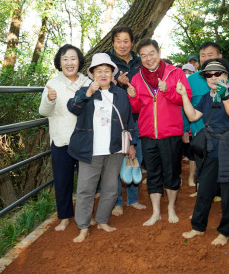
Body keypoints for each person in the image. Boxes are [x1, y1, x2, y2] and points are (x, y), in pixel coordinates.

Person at [177, 58, 229, 246]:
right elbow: (193, 116)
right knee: (204, 189)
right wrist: (184, 96)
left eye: (217, 73)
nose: (212, 77)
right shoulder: (206, 97)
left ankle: (225, 232)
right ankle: (198, 227)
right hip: (212, 149)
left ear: (226, 76)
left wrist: (225, 95)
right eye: (208, 75)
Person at [67, 53, 136, 242]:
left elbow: (128, 120)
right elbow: (73, 107)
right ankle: (83, 226)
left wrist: (131, 144)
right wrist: (88, 93)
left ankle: (103, 220)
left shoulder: (120, 93)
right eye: (99, 71)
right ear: (92, 74)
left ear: (113, 73)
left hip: (114, 149)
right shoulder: (84, 91)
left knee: (111, 188)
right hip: (91, 150)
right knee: (85, 189)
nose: (103, 74)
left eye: (107, 70)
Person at [126, 38, 192, 226]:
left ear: (159, 52)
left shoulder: (176, 73)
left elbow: (185, 99)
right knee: (153, 173)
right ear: (140, 58)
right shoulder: (137, 78)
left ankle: (170, 206)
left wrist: (168, 90)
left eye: (151, 53)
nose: (148, 58)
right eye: (143, 55)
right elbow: (137, 108)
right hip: (148, 135)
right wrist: (132, 98)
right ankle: (155, 212)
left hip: (171, 133)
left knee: (171, 172)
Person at [183, 42, 229, 198]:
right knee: (204, 171)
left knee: (226, 174)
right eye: (203, 55)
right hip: (202, 135)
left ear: (220, 57)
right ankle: (204, 196)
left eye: (210, 55)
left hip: (228, 138)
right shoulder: (192, 79)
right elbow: (190, 111)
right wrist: (186, 128)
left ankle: (220, 198)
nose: (213, 77)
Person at [39, 44, 91, 231]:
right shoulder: (52, 83)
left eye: (73, 58)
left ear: (79, 61)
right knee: (62, 181)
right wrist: (49, 99)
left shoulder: (88, 82)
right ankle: (64, 217)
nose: (70, 63)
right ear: (59, 63)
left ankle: (86, 215)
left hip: (84, 140)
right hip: (61, 140)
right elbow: (43, 111)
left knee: (87, 181)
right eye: (65, 59)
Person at [105, 25, 146, 215]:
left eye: (126, 41)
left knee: (135, 157)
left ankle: (133, 198)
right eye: (118, 41)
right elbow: (99, 87)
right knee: (114, 160)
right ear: (113, 43)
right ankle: (116, 202)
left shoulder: (140, 62)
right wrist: (116, 83)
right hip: (114, 119)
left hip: (137, 117)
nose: (122, 45)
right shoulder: (106, 62)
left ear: (132, 42)